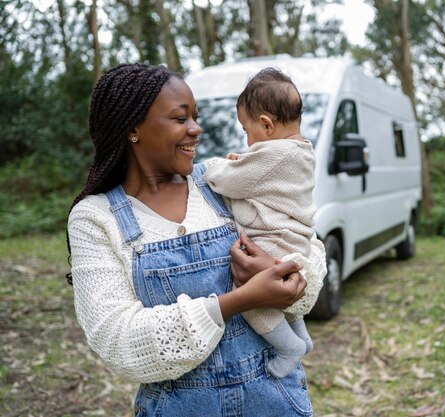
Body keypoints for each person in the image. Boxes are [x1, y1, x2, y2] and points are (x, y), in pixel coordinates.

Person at [66, 63, 327, 416]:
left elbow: (307, 243)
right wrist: (237, 301)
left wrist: (290, 278)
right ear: (132, 128)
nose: (196, 129)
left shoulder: (219, 181)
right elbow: (120, 342)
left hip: (277, 401)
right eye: (180, 118)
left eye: (196, 117)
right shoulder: (95, 218)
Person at [203, 68, 322, 378]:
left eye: (246, 129)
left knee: (254, 299)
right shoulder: (300, 153)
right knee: (282, 297)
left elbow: (227, 182)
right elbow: (260, 185)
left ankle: (289, 347)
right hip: (295, 242)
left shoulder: (273, 155)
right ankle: (302, 336)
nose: (247, 138)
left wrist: (214, 166)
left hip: (273, 241)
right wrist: (243, 161)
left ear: (266, 125)